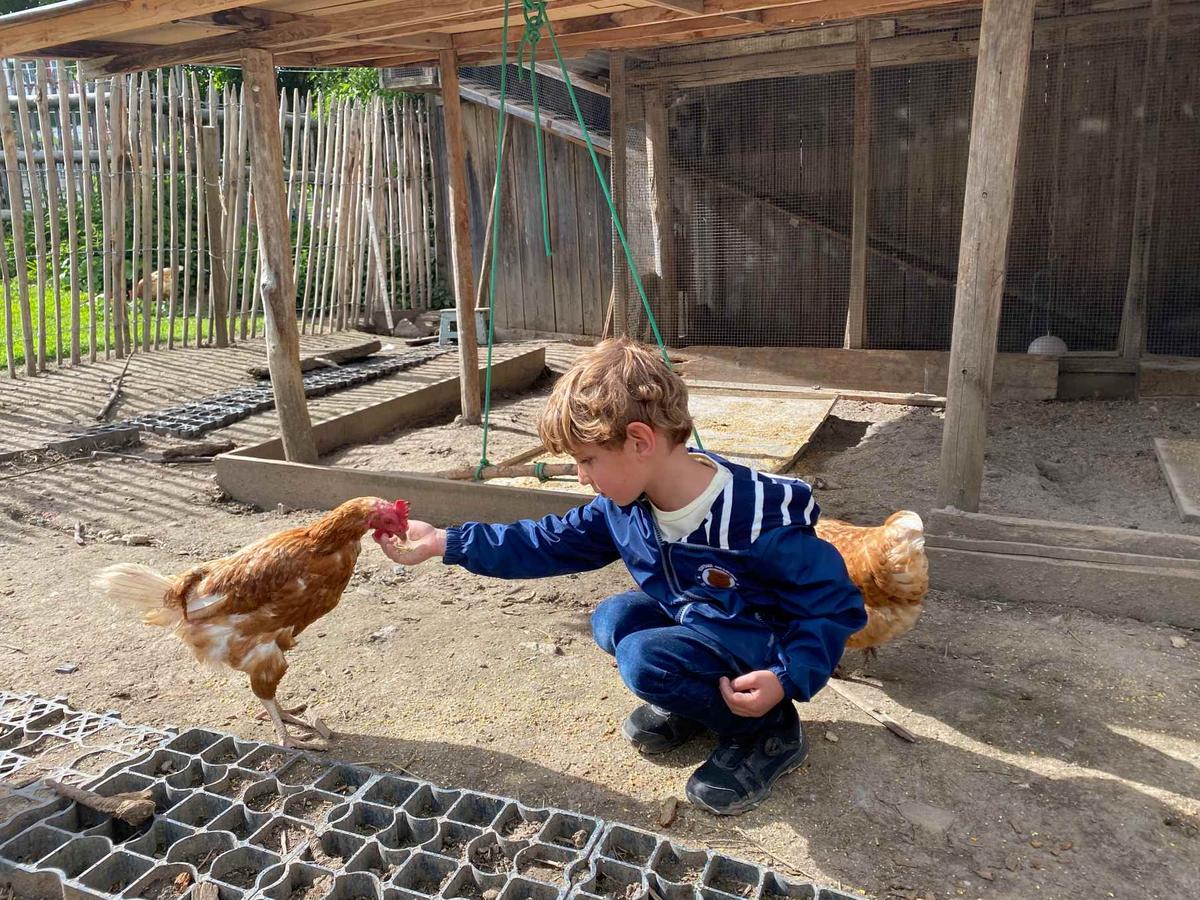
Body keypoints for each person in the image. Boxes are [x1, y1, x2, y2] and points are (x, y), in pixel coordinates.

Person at [377, 338, 866, 815]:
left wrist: (783, 678)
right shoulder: (626, 505)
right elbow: (546, 542)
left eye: (587, 460)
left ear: (639, 441)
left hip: (758, 639)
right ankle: (701, 705)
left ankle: (768, 732)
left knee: (643, 657)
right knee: (614, 618)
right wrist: (445, 542)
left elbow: (831, 605)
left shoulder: (755, 521)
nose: (581, 476)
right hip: (704, 623)